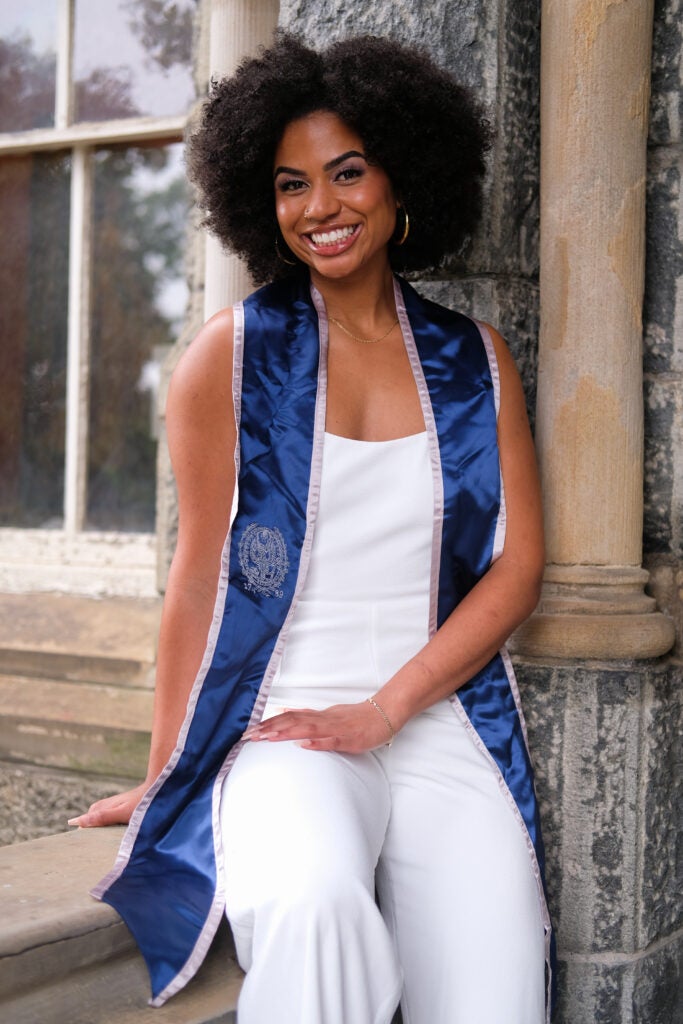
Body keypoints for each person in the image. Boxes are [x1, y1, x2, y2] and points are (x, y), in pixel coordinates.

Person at [69, 32, 554, 1024]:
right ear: (261, 202)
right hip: (279, 726)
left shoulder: (474, 362)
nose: (318, 208)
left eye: (345, 173)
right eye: (291, 185)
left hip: (436, 723)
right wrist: (168, 773)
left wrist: (386, 709)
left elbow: (517, 567)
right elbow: (199, 577)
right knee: (316, 904)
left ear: (400, 177)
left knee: (498, 985)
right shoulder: (231, 357)